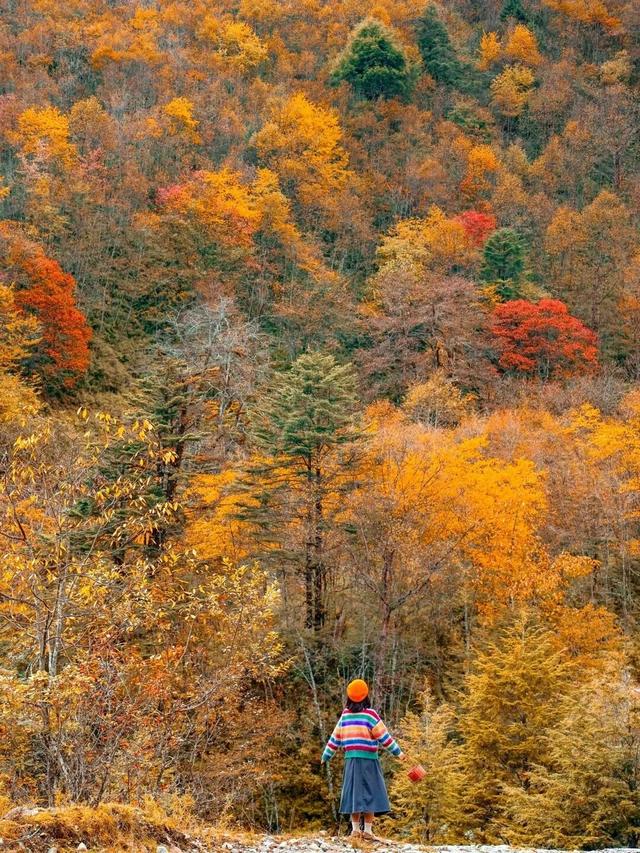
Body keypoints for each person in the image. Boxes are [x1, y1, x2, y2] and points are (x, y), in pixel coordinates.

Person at [321, 679, 406, 841]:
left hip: (351, 761)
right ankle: (367, 830)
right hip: (369, 761)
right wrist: (398, 753)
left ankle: (354, 830)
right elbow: (384, 737)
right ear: (366, 696)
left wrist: (326, 755)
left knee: (354, 793)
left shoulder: (345, 716)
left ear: (349, 697)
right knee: (371, 793)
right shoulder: (370, 715)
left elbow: (335, 738)